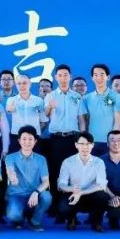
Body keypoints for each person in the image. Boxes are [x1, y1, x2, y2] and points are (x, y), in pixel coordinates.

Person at [45, 65, 83, 209]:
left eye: (65, 75)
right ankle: (55, 207)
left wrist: (82, 138)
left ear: (70, 77)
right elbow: (45, 115)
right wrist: (50, 107)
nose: (63, 78)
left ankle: (71, 208)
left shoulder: (77, 96)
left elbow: (81, 119)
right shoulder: (50, 95)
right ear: (56, 77)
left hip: (73, 139)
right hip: (56, 139)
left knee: (73, 172)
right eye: (60, 75)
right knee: (55, 171)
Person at [55, 132, 108, 231]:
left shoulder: (99, 162)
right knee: (63, 206)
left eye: (88, 144)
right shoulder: (68, 162)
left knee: (103, 196)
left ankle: (97, 223)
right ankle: (71, 220)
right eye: (82, 144)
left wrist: (81, 192)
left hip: (91, 194)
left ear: (92, 145)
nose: (85, 147)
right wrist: (72, 189)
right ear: (76, 145)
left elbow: (101, 185)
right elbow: (61, 184)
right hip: (73, 194)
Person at [3, 126, 50, 231]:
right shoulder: (10, 157)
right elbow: (10, 169)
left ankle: (35, 221)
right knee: (13, 215)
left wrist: (36, 192)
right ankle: (20, 218)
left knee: (47, 197)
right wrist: (12, 176)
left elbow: (46, 182)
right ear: (19, 141)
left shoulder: (41, 159)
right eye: (24, 139)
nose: (27, 142)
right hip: (16, 194)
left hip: (34, 195)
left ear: (35, 141)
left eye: (30, 139)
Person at [80, 64, 120, 156]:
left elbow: (117, 121)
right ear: (92, 78)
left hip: (109, 143)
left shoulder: (116, 96)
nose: (99, 78)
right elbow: (84, 121)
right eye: (95, 75)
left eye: (102, 74)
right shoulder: (86, 98)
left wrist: (114, 141)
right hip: (91, 142)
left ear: (108, 77)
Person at [5, 73, 43, 154]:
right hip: (16, 137)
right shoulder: (11, 100)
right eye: (19, 83)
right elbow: (8, 109)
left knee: (35, 160)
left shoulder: (39, 100)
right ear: (16, 85)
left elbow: (44, 121)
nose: (22, 85)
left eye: (24, 83)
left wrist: (36, 132)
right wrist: (9, 108)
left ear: (30, 84)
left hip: (33, 137)